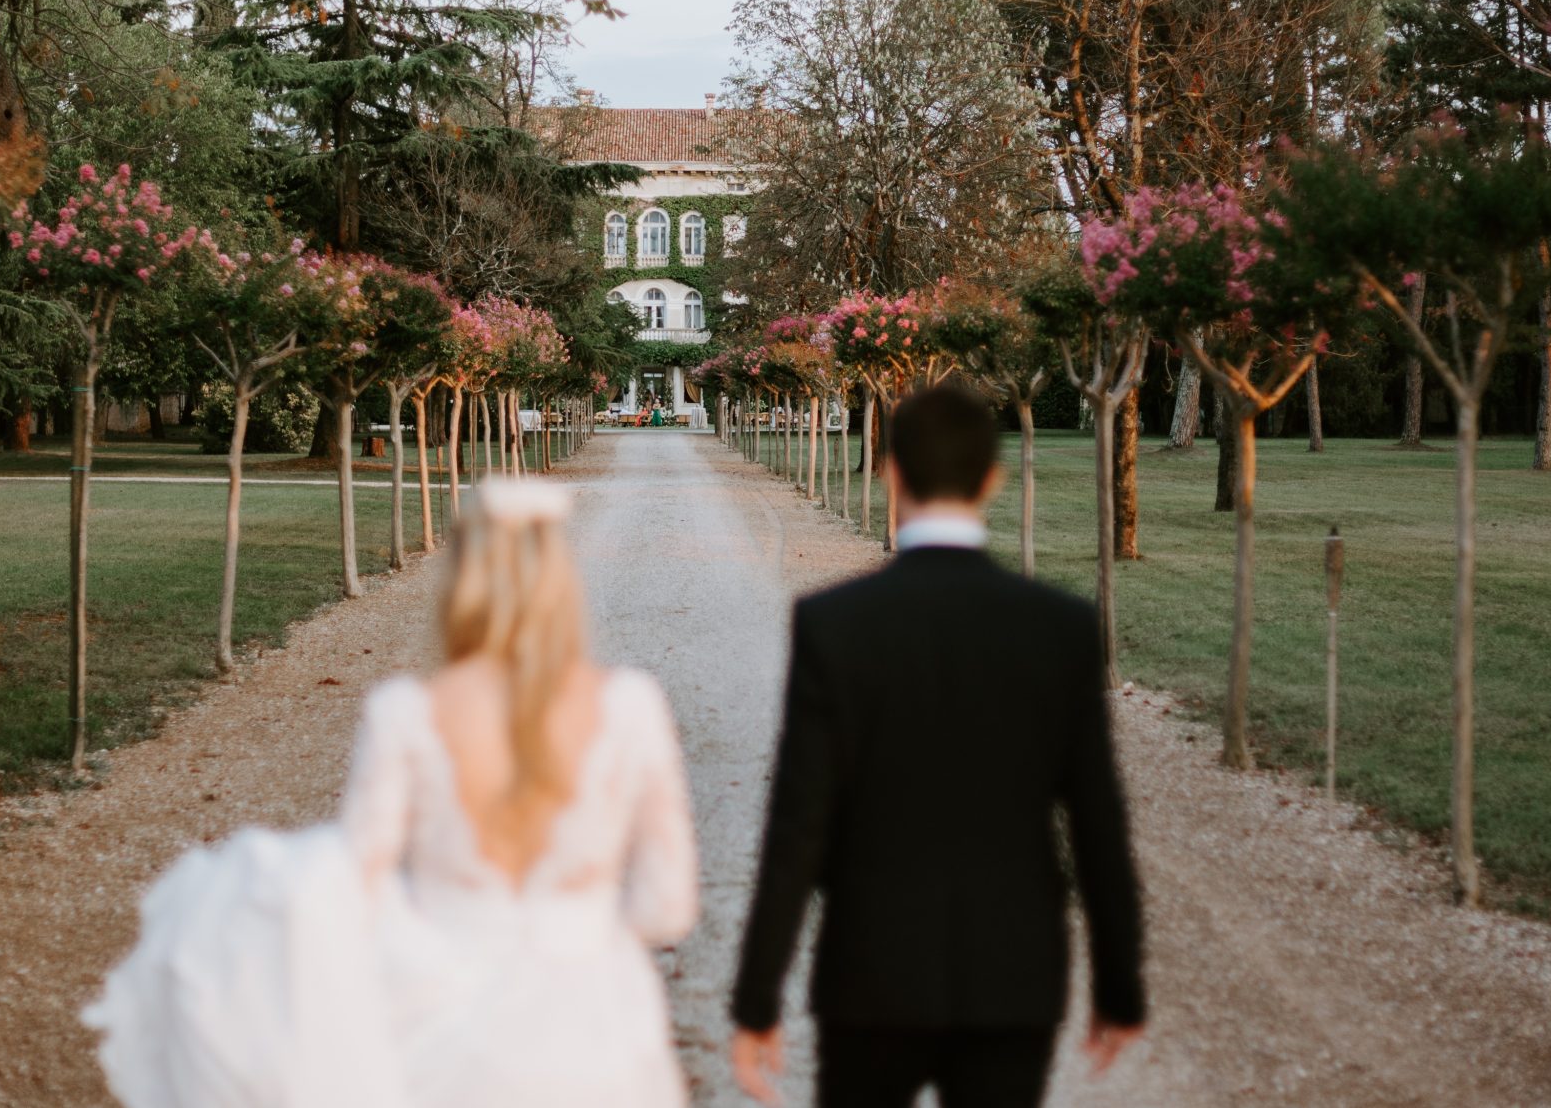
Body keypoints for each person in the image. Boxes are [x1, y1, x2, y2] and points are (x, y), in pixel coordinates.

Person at [86, 479, 700, 1108]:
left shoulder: (407, 713)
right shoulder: (630, 706)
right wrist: (582, 936)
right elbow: (667, 907)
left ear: (460, 580)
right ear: (562, 581)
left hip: (441, 1028)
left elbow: (359, 888)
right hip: (596, 1031)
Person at [727, 382, 1146, 1108]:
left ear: (890, 470)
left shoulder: (834, 623)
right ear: (991, 479)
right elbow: (1098, 820)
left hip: (871, 971)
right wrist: (1120, 986)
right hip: (1013, 974)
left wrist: (757, 997)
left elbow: (798, 825)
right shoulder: (1060, 628)